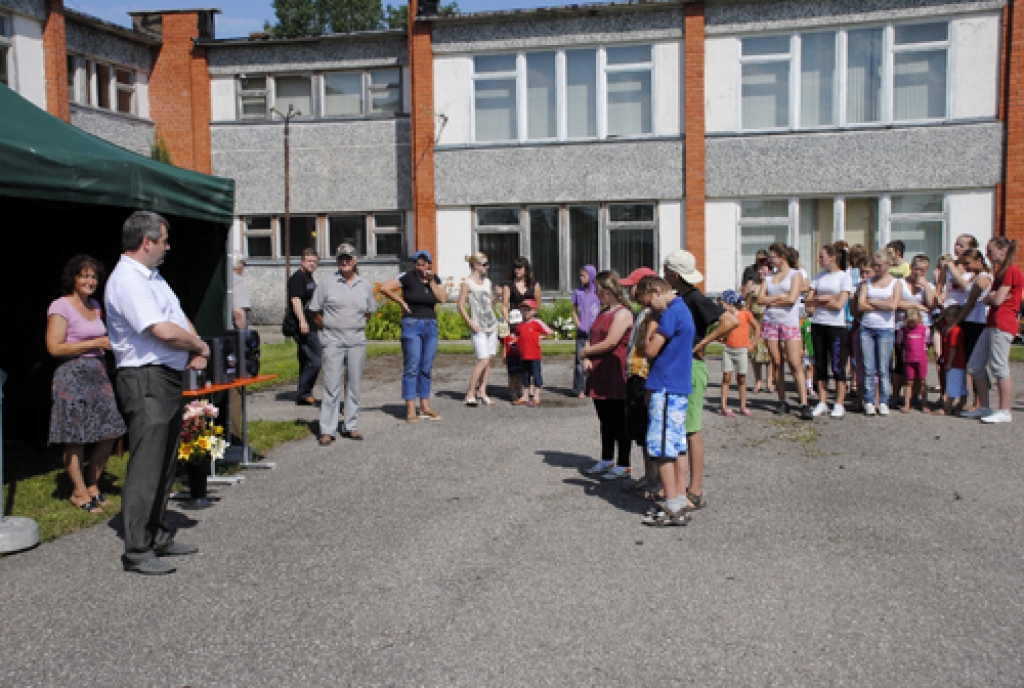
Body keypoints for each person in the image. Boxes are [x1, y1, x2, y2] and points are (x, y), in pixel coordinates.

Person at [106, 211, 209, 575]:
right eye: (163, 240)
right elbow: (161, 330)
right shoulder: (128, 280)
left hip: (165, 375)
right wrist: (197, 346)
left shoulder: (154, 277)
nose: (168, 246)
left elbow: (177, 318)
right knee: (147, 465)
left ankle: (157, 534)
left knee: (165, 462)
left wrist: (194, 347)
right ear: (146, 242)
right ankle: (136, 549)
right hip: (144, 377)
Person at [46, 255, 126, 514]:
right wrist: (95, 343)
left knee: (110, 430)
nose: (90, 281)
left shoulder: (95, 306)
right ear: (73, 279)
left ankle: (93, 484)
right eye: (85, 276)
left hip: (98, 373)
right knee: (75, 435)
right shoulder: (61, 306)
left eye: (93, 277)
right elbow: (54, 347)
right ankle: (78, 492)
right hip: (71, 374)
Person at [662, 250, 737, 510]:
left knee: (691, 430)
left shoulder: (694, 297)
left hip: (692, 366)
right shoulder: (679, 297)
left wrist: (702, 343)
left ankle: (694, 489)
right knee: (680, 427)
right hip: (680, 365)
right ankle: (680, 485)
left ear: (673, 274)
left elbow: (730, 320)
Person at [636, 275, 696, 527]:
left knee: (661, 446)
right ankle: (679, 498)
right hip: (677, 385)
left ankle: (672, 505)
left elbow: (650, 350)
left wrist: (649, 330)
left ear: (658, 291)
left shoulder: (671, 313)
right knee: (676, 443)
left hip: (666, 386)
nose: (650, 308)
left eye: (649, 303)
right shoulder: (683, 309)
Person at [308, 243, 376, 445]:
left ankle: (350, 426)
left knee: (354, 384)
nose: (344, 262)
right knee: (331, 385)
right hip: (333, 340)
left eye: (348, 258)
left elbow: (369, 312)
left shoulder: (364, 284)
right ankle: (327, 429)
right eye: (341, 259)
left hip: (356, 339)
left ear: (355, 261)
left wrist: (355, 326)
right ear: (337, 261)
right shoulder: (326, 283)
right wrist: (328, 326)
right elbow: (314, 311)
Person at [381, 250, 448, 423]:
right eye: (418, 264)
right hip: (412, 324)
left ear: (429, 265)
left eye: (424, 264)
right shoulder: (407, 276)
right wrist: (401, 302)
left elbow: (442, 298)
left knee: (426, 367)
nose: (420, 267)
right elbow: (385, 288)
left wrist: (432, 280)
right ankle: (411, 408)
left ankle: (425, 406)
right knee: (412, 366)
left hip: (430, 325)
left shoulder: (435, 279)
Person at [581, 272, 634, 480]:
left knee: (619, 419)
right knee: (605, 419)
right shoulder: (603, 312)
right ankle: (606, 459)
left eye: (598, 289)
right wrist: (586, 358)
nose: (596, 293)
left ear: (607, 289)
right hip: (599, 370)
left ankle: (624, 463)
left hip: (615, 370)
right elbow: (591, 337)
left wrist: (586, 353)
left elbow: (612, 342)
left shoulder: (623, 313)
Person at [963, 238, 1021, 423]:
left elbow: (995, 300)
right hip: (992, 322)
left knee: (999, 366)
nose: (987, 254)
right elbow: (988, 299)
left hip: (1003, 323)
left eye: (991, 250)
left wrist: (993, 297)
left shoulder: (1011, 270)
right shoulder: (1000, 271)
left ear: (1003, 250)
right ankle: (984, 407)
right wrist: (992, 297)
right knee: (974, 365)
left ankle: (1005, 410)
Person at [759, 243, 813, 419]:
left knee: (795, 362)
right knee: (776, 361)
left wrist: (771, 301)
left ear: (782, 257)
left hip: (788, 322)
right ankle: (782, 400)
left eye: (773, 256)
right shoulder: (768, 277)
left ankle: (804, 402)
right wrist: (777, 297)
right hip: (770, 322)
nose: (770, 259)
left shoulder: (795, 275)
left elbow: (791, 299)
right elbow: (760, 299)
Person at [620, 268, 659, 498]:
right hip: (635, 374)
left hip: (644, 377)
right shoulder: (642, 313)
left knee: (648, 427)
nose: (628, 290)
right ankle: (649, 475)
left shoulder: (653, 314)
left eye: (631, 286)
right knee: (640, 429)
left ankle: (656, 478)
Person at [806, 244, 855, 418]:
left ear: (833, 257)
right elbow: (808, 302)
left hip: (836, 326)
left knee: (837, 365)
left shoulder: (844, 277)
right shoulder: (818, 277)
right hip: (818, 323)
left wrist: (820, 300)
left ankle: (839, 403)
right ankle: (822, 401)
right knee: (819, 364)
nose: (819, 260)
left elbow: (839, 304)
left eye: (822, 257)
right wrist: (825, 298)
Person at [944, 248, 992, 413]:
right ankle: (973, 400)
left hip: (977, 322)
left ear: (979, 260)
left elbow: (970, 303)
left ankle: (979, 402)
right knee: (970, 362)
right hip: (970, 321)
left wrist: (954, 322)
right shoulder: (976, 276)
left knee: (976, 363)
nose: (965, 266)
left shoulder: (983, 278)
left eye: (968, 263)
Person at [857, 250, 899, 416]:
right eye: (874, 265)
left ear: (887, 265)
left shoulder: (895, 283)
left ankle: (883, 400)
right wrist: (881, 303)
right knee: (868, 366)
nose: (876, 268)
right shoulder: (867, 282)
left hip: (885, 328)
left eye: (879, 265)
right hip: (867, 327)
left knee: (883, 367)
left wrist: (872, 302)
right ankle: (869, 400)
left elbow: (893, 305)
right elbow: (861, 305)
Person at [894, 255, 936, 405]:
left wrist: (925, 286)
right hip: (902, 326)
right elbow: (897, 302)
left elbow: (931, 305)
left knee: (919, 362)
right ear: (911, 267)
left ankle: (915, 396)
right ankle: (896, 395)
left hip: (921, 327)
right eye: (916, 269)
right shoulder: (900, 283)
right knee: (901, 361)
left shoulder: (928, 285)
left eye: (923, 270)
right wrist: (917, 306)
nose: (918, 273)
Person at [457, 253, 498, 406]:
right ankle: (470, 393)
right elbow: (460, 305)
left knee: (489, 360)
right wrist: (470, 323)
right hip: (478, 325)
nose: (487, 267)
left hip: (491, 324)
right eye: (484, 264)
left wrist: (498, 297)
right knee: (482, 359)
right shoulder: (467, 283)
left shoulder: (487, 282)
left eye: (487, 264)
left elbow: (490, 304)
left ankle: (482, 391)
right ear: (475, 265)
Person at [288, 249, 321, 407]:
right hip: (303, 325)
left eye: (315, 261)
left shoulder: (308, 278)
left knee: (305, 359)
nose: (312, 264)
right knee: (316, 359)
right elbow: (295, 300)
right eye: (309, 261)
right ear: (302, 261)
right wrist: (302, 321)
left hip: (311, 324)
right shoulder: (297, 278)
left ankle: (303, 394)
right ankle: (305, 392)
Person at [719, 289, 759, 417]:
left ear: (730, 303)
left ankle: (743, 405)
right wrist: (722, 338)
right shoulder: (725, 317)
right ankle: (724, 406)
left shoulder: (745, 314)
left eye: (723, 303)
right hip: (728, 349)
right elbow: (721, 331)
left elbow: (757, 327)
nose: (722, 306)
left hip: (742, 349)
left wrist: (754, 343)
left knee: (742, 378)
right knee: (726, 377)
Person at [571, 265, 600, 399]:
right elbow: (574, 310)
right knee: (580, 360)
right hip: (582, 332)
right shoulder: (578, 292)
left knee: (595, 360)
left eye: (584, 275)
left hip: (595, 332)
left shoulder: (598, 293)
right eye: (580, 276)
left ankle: (594, 386)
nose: (581, 278)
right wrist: (579, 323)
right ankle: (579, 388)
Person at [514, 299, 550, 406]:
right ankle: (525, 395)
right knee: (525, 375)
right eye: (523, 310)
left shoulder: (537, 323)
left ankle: (536, 396)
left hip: (534, 355)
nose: (526, 312)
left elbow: (548, 331)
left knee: (536, 375)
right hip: (524, 355)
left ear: (534, 311)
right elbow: (517, 335)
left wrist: (539, 337)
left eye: (528, 310)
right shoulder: (521, 325)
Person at [937, 305, 968, 416]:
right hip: (960, 363)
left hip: (955, 363)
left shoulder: (955, 330)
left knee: (952, 385)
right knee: (962, 386)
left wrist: (949, 362)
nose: (949, 319)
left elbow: (953, 348)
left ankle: (947, 407)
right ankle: (962, 404)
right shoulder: (953, 329)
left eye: (952, 317)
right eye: (948, 316)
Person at [899, 306, 929, 413]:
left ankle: (924, 404)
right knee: (909, 382)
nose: (911, 325)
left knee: (922, 381)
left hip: (921, 359)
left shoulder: (924, 329)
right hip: (908, 359)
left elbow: (927, 343)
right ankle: (907, 404)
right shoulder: (903, 330)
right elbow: (899, 343)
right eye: (909, 323)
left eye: (913, 323)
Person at [501, 256, 542, 322]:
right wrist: (508, 321)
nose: (516, 271)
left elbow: (537, 305)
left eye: (519, 268)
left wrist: (530, 315)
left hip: (531, 320)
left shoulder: (534, 285)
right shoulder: (508, 285)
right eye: (515, 268)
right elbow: (504, 306)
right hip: (514, 319)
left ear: (526, 269)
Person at [501, 309, 524, 403]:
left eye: (517, 323)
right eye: (514, 324)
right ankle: (512, 392)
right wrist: (504, 355)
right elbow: (504, 345)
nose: (516, 326)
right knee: (512, 375)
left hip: (520, 355)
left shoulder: (521, 332)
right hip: (511, 356)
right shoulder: (507, 333)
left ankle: (519, 391)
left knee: (520, 374)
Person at [231, 257, 251, 330]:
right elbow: (238, 312)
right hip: (234, 328)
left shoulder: (225, 278)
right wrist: (242, 334)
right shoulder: (238, 281)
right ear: (239, 266)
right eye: (243, 264)